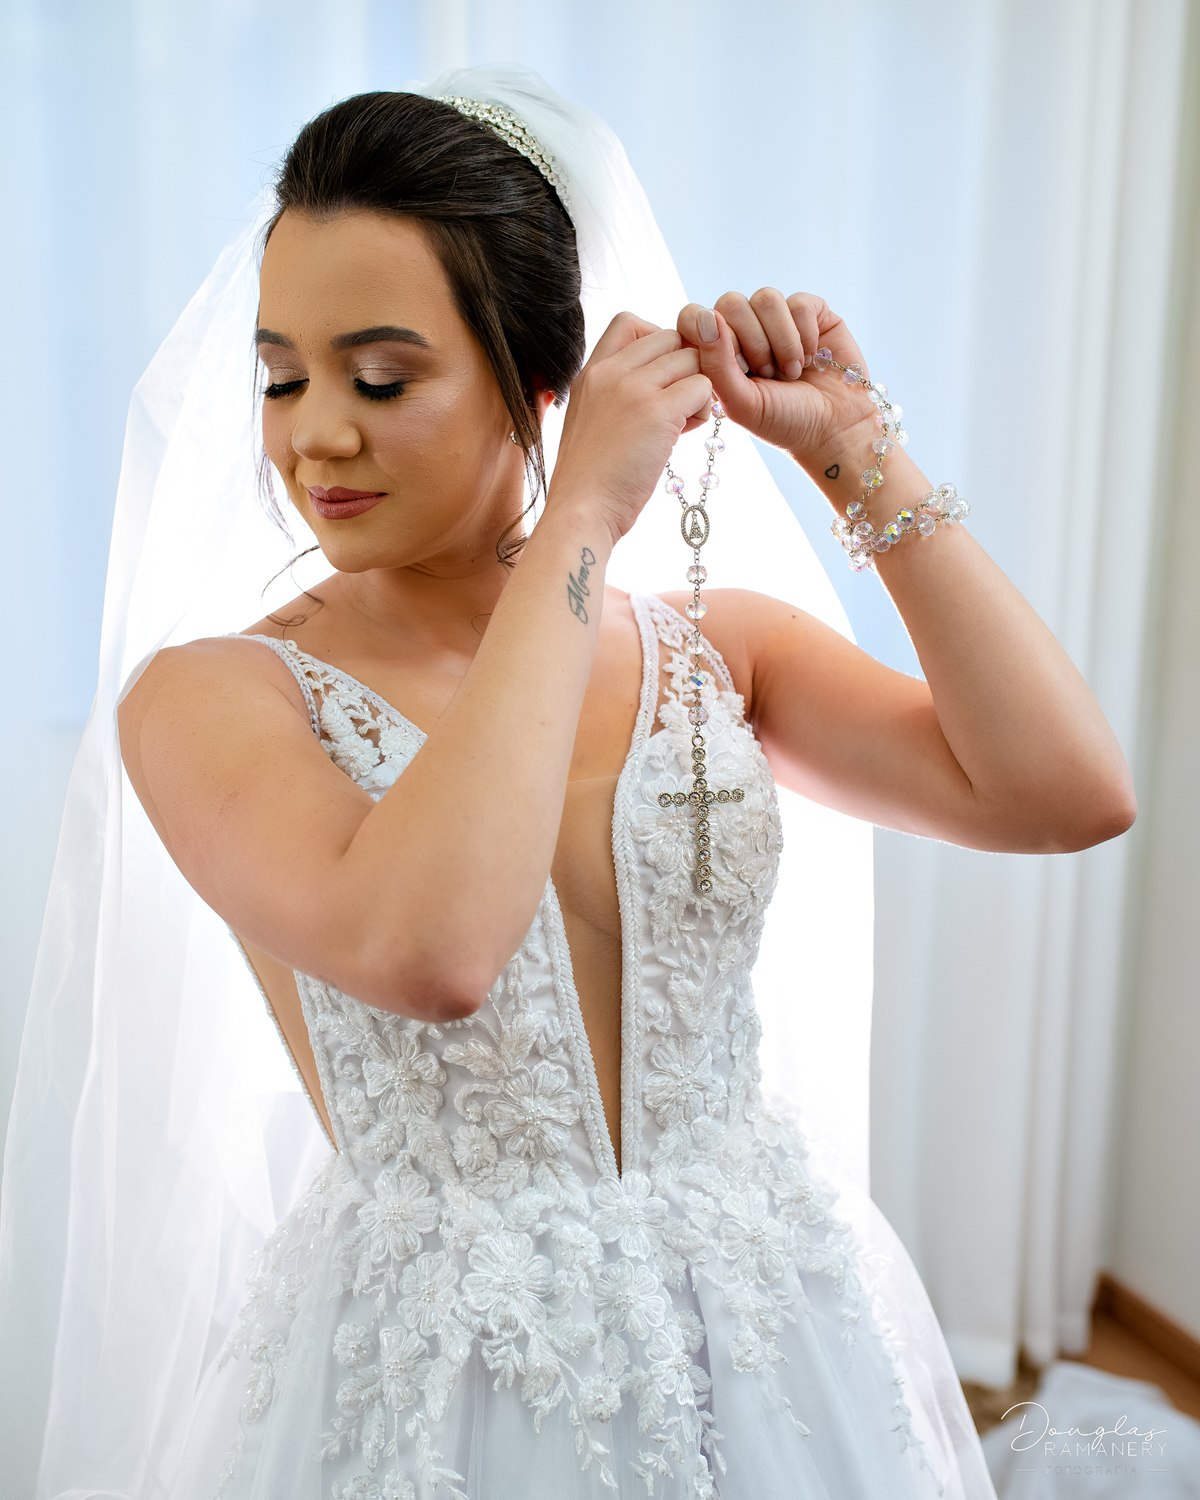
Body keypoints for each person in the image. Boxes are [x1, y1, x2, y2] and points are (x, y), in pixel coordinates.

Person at [2, 71, 1133, 1500]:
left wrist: (859, 450)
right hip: (442, 1378)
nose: (313, 436)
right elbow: (435, 951)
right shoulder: (212, 700)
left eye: (380, 378)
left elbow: (1065, 793)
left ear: (542, 382)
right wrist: (580, 519)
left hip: (764, 1324)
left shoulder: (716, 649)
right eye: (281, 377)